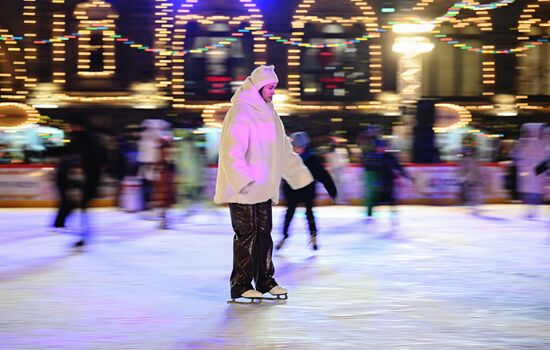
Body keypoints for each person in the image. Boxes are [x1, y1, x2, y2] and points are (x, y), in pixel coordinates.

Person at [214, 65, 313, 301]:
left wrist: (300, 176)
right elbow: (231, 152)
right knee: (246, 235)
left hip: (263, 189)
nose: (274, 92)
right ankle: (240, 284)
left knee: (263, 234)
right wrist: (242, 180)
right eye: (270, 87)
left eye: (274, 87)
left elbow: (283, 151)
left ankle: (265, 281)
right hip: (243, 190)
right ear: (258, 88)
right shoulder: (240, 112)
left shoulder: (271, 114)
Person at [276, 132, 337, 251]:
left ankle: (313, 235)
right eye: (293, 147)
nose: (296, 149)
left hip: (307, 191)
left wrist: (332, 190)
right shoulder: (288, 159)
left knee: (309, 213)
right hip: (292, 191)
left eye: (298, 147)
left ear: (305, 146)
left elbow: (323, 175)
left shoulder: (311, 160)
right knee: (289, 213)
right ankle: (284, 236)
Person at [362, 139, 413, 224]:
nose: (382, 149)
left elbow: (398, 167)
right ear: (376, 148)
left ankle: (394, 218)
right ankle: (368, 217)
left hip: (388, 182)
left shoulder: (389, 157)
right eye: (380, 147)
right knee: (373, 201)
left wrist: (407, 176)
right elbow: (368, 169)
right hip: (377, 184)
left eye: (383, 147)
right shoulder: (372, 157)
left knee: (392, 200)